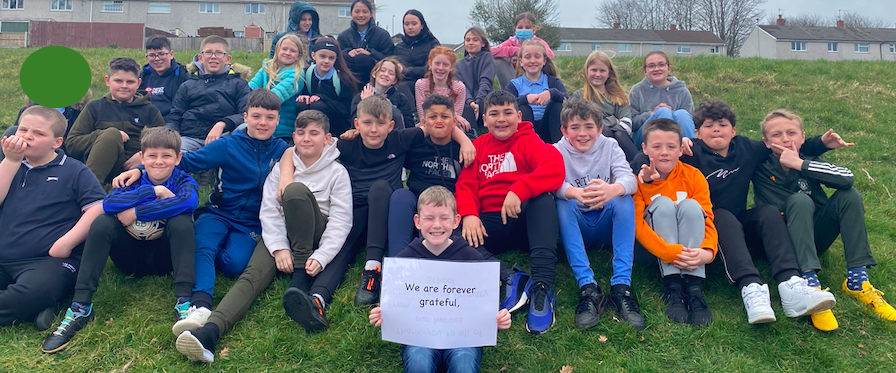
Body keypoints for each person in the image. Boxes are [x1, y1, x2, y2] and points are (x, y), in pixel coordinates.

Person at [632, 98, 842, 326]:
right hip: (704, 223)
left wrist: (821, 143)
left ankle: (790, 282)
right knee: (719, 214)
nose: (716, 130)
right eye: (708, 125)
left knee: (769, 212)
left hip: (737, 220)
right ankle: (751, 287)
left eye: (722, 125)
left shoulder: (747, 148)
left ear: (733, 130)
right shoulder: (690, 152)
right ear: (696, 134)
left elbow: (783, 144)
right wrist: (643, 171)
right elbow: (651, 155)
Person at [173, 110, 351, 363]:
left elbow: (341, 221)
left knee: (295, 192)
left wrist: (322, 256)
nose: (307, 139)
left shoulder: (337, 173)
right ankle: (209, 333)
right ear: (293, 137)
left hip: (314, 237)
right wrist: (278, 248)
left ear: (327, 138)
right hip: (282, 237)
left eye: (314, 133)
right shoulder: (281, 168)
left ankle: (298, 280)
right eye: (301, 133)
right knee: (250, 277)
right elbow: (269, 211)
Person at [114, 89, 290, 332]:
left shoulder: (282, 149)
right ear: (246, 116)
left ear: (278, 119)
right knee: (204, 247)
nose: (263, 123)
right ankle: (201, 305)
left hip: (252, 222)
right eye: (257, 116)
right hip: (219, 212)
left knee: (234, 265)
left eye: (270, 118)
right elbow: (183, 162)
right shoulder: (228, 145)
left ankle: (199, 256)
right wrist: (142, 171)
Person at [277, 95, 474, 308]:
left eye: (380, 124)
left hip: (387, 211)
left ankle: (373, 270)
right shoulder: (345, 145)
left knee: (380, 188)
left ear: (390, 126)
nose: (373, 129)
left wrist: (464, 140)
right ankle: (318, 299)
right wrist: (286, 176)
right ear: (357, 124)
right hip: (356, 210)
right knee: (344, 249)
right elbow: (295, 149)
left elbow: (438, 125)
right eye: (367, 123)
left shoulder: (399, 139)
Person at [41, 127, 199, 354]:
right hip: (130, 259)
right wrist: (155, 191)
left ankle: (184, 302)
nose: (159, 162)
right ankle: (80, 306)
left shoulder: (185, 180)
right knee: (103, 222)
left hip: (166, 261)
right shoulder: (129, 180)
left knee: (182, 221)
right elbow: (110, 205)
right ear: (142, 157)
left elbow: (187, 203)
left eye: (167, 156)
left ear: (178, 157)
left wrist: (136, 212)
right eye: (152, 156)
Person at [753, 109, 896, 328]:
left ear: (802, 137)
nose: (785, 139)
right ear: (765, 141)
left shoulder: (809, 160)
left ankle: (858, 279)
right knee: (799, 201)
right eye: (776, 135)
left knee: (850, 196)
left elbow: (847, 179)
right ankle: (809, 286)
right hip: (780, 245)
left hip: (813, 235)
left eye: (792, 133)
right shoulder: (759, 163)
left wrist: (800, 163)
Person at [369, 186, 512, 373]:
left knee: (464, 364)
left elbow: (484, 305)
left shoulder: (474, 260)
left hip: (463, 337)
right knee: (419, 362)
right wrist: (385, 313)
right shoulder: (404, 263)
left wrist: (499, 318)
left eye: (444, 218)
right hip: (419, 337)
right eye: (429, 218)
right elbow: (398, 303)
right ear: (417, 222)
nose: (437, 225)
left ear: (456, 221)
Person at [455, 90, 564, 335]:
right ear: (484, 120)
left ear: (519, 115)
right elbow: (465, 186)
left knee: (544, 200)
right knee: (450, 230)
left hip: (524, 221)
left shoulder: (529, 140)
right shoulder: (478, 145)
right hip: (490, 222)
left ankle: (542, 288)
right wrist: (469, 214)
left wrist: (521, 188)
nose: (501, 119)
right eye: (494, 114)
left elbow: (555, 168)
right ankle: (509, 277)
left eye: (507, 113)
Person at [0, 107, 105, 331]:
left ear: (56, 142)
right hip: (4, 255)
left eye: (38, 133)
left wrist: (65, 243)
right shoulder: (9, 165)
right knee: (27, 295)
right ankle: (34, 309)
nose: (27, 136)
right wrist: (10, 161)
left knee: (36, 291)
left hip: (48, 261)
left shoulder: (74, 170)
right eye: (23, 129)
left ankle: (35, 303)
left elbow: (98, 208)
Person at [554, 98, 644, 331]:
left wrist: (611, 189)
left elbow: (630, 180)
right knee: (563, 202)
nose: (582, 134)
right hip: (577, 226)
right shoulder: (556, 150)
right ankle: (588, 288)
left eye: (589, 127)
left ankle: (621, 286)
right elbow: (551, 183)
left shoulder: (610, 146)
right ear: (564, 131)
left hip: (606, 224)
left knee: (624, 198)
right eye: (575, 128)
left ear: (600, 128)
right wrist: (574, 192)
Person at [634, 118, 716, 326]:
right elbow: (637, 226)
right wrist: (670, 252)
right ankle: (673, 287)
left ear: (681, 150)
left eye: (671, 147)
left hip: (692, 253)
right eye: (656, 147)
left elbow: (708, 217)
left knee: (690, 206)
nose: (664, 152)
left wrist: (707, 252)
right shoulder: (638, 181)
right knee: (663, 203)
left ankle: (695, 287)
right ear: (644, 148)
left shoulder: (694, 176)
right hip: (655, 251)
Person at [65, 57, 165, 186]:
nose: (124, 86)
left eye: (130, 82)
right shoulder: (94, 108)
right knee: (111, 134)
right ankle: (89, 190)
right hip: (102, 170)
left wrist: (144, 156)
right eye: (118, 81)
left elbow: (165, 145)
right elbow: (71, 145)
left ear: (139, 82)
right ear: (107, 81)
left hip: (137, 171)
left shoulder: (150, 111)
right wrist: (101, 135)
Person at [387, 94, 463, 256]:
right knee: (400, 195)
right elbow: (388, 142)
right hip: (416, 203)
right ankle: (399, 261)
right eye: (432, 117)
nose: (439, 121)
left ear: (454, 122)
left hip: (445, 208)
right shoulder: (415, 145)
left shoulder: (462, 148)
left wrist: (465, 141)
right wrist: (355, 134)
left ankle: (430, 261)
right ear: (423, 122)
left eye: (444, 116)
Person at [165, 35, 252, 152]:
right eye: (209, 52)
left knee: (247, 128)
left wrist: (223, 124)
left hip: (226, 137)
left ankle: (228, 167)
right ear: (200, 58)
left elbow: (246, 114)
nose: (213, 57)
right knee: (168, 151)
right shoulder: (187, 85)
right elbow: (175, 116)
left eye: (219, 53)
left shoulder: (239, 84)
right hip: (191, 138)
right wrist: (169, 134)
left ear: (227, 59)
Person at [571, 50, 637, 161]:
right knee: (604, 131)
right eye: (594, 70)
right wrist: (612, 120)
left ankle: (640, 169)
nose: (598, 74)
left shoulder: (618, 96)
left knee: (619, 135)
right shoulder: (579, 96)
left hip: (620, 143)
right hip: (589, 144)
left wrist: (601, 123)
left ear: (609, 73)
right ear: (586, 71)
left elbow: (626, 125)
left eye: (602, 71)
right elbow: (581, 125)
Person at [504, 40, 567, 144]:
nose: (532, 61)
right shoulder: (514, 85)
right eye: (528, 57)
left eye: (537, 57)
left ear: (544, 61)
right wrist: (525, 99)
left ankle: (560, 149)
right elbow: (504, 105)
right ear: (521, 62)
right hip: (525, 129)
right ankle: (524, 149)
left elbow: (568, 100)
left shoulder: (552, 81)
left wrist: (551, 94)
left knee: (556, 105)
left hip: (549, 128)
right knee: (523, 108)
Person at [295, 36, 359, 136]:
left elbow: (346, 109)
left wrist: (324, 98)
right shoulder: (307, 73)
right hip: (313, 117)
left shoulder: (342, 78)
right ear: (313, 55)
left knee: (318, 105)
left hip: (336, 124)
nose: (326, 61)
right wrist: (304, 96)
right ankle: (303, 135)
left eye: (331, 58)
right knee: (301, 103)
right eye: (322, 56)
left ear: (336, 59)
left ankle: (325, 138)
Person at [629, 51, 695, 146]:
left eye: (661, 65)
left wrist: (673, 115)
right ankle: (665, 151)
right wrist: (652, 114)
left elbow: (691, 121)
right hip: (645, 139)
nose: (657, 69)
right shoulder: (637, 90)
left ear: (668, 68)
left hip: (679, 137)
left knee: (682, 114)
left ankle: (693, 151)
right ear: (645, 71)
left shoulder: (682, 90)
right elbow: (631, 124)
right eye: (651, 66)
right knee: (663, 112)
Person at [250, 34, 307, 141]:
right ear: (277, 50)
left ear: (299, 56)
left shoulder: (297, 75)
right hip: (260, 122)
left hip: (281, 128)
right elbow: (250, 88)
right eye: (284, 49)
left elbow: (274, 98)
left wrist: (252, 104)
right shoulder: (266, 67)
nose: (287, 53)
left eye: (292, 51)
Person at [337, 0, 394, 88]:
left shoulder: (382, 35)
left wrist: (370, 53)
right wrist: (348, 53)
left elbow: (390, 58)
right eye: (357, 11)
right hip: (349, 81)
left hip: (375, 81)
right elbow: (337, 57)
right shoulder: (343, 36)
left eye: (365, 11)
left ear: (371, 14)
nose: (361, 15)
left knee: (363, 59)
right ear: (351, 14)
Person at [415, 47, 471, 136]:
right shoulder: (421, 84)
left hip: (450, 128)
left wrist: (457, 117)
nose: (440, 68)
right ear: (430, 64)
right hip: (427, 125)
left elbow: (453, 119)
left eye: (445, 64)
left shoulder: (459, 87)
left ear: (451, 67)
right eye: (437, 63)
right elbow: (423, 114)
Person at [491, 12, 554, 90]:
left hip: (535, 76)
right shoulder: (511, 42)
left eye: (527, 27)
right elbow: (491, 51)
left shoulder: (539, 42)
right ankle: (509, 91)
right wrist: (514, 51)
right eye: (520, 27)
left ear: (534, 29)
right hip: (514, 78)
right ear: (515, 30)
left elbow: (550, 55)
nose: (523, 30)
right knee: (498, 60)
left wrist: (526, 55)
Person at [393, 9, 440, 113]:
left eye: (414, 23)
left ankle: (411, 116)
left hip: (425, 81)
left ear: (422, 25)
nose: (410, 27)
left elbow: (431, 69)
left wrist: (406, 71)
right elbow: (394, 66)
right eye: (407, 24)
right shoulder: (399, 47)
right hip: (403, 82)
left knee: (404, 86)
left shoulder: (432, 43)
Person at [349, 57, 416, 129]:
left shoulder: (401, 99)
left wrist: (391, 107)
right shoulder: (360, 97)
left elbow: (409, 125)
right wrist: (365, 103)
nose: (386, 74)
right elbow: (355, 124)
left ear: (395, 80)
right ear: (374, 74)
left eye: (391, 73)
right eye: (382, 70)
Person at [455, 26, 495, 137]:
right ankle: (472, 137)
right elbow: (460, 86)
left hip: (483, 99)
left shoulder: (487, 58)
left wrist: (477, 102)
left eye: (475, 40)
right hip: (467, 101)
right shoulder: (458, 64)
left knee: (487, 104)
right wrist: (470, 102)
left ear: (483, 43)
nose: (471, 43)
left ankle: (493, 137)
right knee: (464, 109)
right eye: (468, 40)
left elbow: (485, 81)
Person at [140, 35, 189, 118]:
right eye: (152, 55)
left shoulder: (183, 77)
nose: (157, 59)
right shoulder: (142, 77)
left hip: (172, 123)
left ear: (171, 54)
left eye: (161, 54)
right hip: (145, 123)